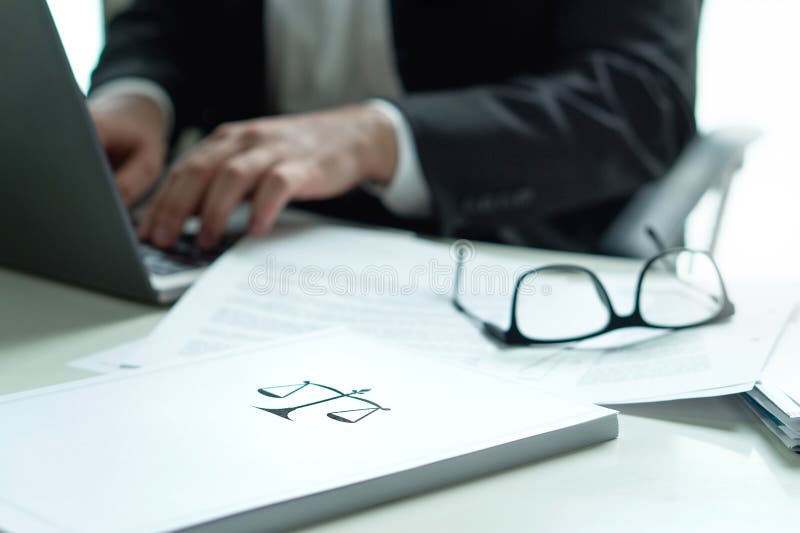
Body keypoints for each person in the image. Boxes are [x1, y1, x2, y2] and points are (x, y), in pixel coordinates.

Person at [89, 0, 700, 253]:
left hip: (489, 244)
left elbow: (639, 99)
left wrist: (378, 138)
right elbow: (165, 17)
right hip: (238, 236)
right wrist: (140, 95)